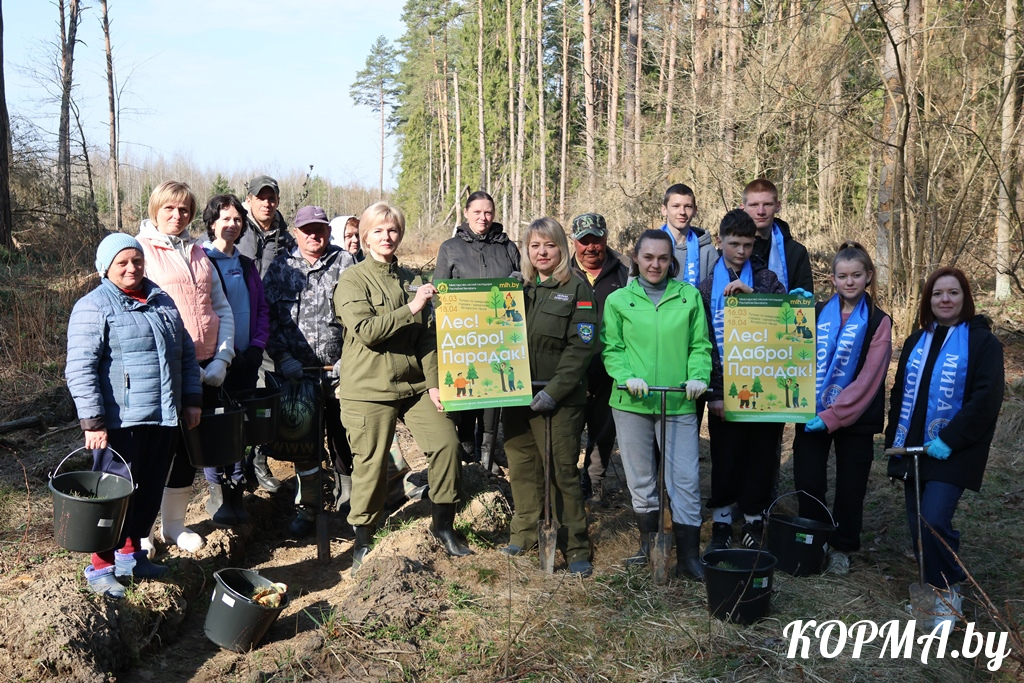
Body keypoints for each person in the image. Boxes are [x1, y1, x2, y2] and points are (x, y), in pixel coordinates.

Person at [336, 201, 472, 575]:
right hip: (367, 388)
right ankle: (364, 540)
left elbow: (428, 339)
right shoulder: (353, 280)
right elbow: (366, 331)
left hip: (413, 385)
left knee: (446, 444)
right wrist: (412, 307)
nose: (387, 236)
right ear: (365, 237)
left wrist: (433, 385)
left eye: (393, 230)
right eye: (378, 230)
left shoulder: (411, 277)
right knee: (371, 463)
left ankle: (443, 525)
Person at [66, 234, 202, 598]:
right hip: (118, 423)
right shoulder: (94, 307)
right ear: (105, 268)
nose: (131, 268)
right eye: (122, 262)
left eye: (137, 261)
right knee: (113, 495)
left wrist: (191, 398)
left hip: (163, 416)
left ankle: (132, 555)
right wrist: (93, 421)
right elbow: (80, 369)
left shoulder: (161, 301)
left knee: (149, 490)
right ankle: (100, 566)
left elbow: (185, 355)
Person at [885, 267, 1003, 628]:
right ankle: (931, 592)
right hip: (914, 448)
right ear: (928, 300)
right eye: (938, 294)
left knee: (933, 519)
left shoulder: (982, 343)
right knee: (917, 525)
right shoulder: (916, 341)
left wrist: (950, 439)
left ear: (965, 298)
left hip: (954, 449)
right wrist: (895, 441)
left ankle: (950, 586)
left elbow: (987, 398)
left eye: (953, 293)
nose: (945, 300)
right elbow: (900, 392)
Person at [601, 229, 712, 579]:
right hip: (632, 401)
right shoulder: (619, 300)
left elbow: (700, 345)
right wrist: (624, 376)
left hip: (678, 401)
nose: (655, 264)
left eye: (663, 258)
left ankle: (689, 556)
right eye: (648, 257)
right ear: (636, 258)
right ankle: (648, 546)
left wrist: (698, 377)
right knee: (642, 479)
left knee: (684, 479)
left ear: (671, 261)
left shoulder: (688, 297)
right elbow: (612, 348)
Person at [136, 181, 235, 553]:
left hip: (207, 366)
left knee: (187, 450)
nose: (177, 216)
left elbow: (220, 308)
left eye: (184, 210)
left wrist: (223, 358)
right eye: (169, 209)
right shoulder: (141, 251)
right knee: (156, 450)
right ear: (155, 211)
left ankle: (174, 526)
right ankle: (141, 531)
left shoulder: (199, 252)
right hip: (165, 369)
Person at [500, 217, 596, 577]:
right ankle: (524, 533)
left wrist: (554, 393)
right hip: (516, 396)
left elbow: (581, 349)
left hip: (558, 401)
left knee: (561, 473)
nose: (542, 252)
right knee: (522, 467)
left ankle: (576, 547)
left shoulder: (576, 288)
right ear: (526, 250)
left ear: (562, 248)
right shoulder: (519, 288)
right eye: (535, 246)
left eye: (549, 245)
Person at [792, 243, 892, 574]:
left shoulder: (879, 321)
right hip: (810, 413)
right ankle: (815, 540)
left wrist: (833, 416)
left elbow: (869, 378)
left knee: (851, 485)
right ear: (832, 279)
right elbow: (791, 355)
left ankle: (842, 547)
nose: (849, 282)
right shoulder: (815, 312)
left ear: (868, 277)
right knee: (808, 480)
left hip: (856, 418)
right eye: (842, 276)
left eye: (856, 275)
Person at [263, 205, 357, 537]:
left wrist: (352, 355)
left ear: (328, 231)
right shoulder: (280, 267)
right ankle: (309, 507)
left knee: (343, 438)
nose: (314, 235)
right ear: (296, 233)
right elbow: (266, 318)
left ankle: (349, 501)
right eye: (307, 230)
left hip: (339, 372)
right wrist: (281, 354)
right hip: (296, 375)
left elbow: (360, 315)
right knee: (304, 444)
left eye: (320, 229)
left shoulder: (345, 263)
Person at [698, 209, 785, 553]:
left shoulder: (767, 280)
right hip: (725, 392)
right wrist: (714, 394)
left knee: (760, 458)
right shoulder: (706, 288)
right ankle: (721, 521)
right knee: (726, 458)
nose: (741, 252)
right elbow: (703, 343)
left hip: (766, 391)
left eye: (748, 245)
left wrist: (756, 300)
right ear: (719, 242)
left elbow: (788, 325)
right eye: (734, 244)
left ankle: (752, 520)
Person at [432, 190, 521, 468]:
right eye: (477, 212)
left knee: (494, 391)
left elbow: (522, 277)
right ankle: (466, 448)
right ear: (466, 213)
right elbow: (439, 291)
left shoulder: (507, 246)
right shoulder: (450, 247)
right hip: (463, 333)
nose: (483, 217)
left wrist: (516, 280)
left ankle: (487, 453)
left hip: (500, 333)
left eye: (488, 212)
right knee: (466, 390)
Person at [201, 194, 271, 528]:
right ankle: (216, 490)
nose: (232, 224)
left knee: (242, 426)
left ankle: (237, 489)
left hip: (246, 360)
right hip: (214, 363)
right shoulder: (201, 261)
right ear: (212, 222)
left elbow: (261, 310)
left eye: (238, 219)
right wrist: (217, 357)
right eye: (225, 218)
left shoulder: (245, 264)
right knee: (216, 428)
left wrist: (257, 346)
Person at [237, 174, 295, 493]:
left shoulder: (284, 237)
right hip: (240, 329)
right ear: (249, 200)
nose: (267, 202)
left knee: (267, 400)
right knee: (240, 400)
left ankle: (258, 461)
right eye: (261, 197)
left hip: (272, 328)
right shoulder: (237, 229)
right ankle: (239, 467)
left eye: (272, 197)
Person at [568, 213, 630, 505]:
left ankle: (594, 483)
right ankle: (567, 485)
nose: (591, 247)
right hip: (571, 368)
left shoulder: (626, 272)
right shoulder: (561, 270)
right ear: (574, 242)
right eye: (584, 241)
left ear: (606, 237)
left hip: (611, 365)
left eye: (597, 240)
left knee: (604, 429)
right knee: (569, 429)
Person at [740, 178, 813, 294]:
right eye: (754, 205)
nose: (761, 211)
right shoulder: (731, 249)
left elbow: (804, 304)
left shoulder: (796, 253)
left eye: (767, 204)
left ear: (777, 206)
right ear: (743, 208)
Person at [659, 183, 718, 286]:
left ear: (695, 210)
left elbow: (716, 294)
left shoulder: (707, 252)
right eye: (676, 206)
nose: (682, 212)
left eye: (688, 207)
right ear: (664, 210)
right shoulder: (647, 247)